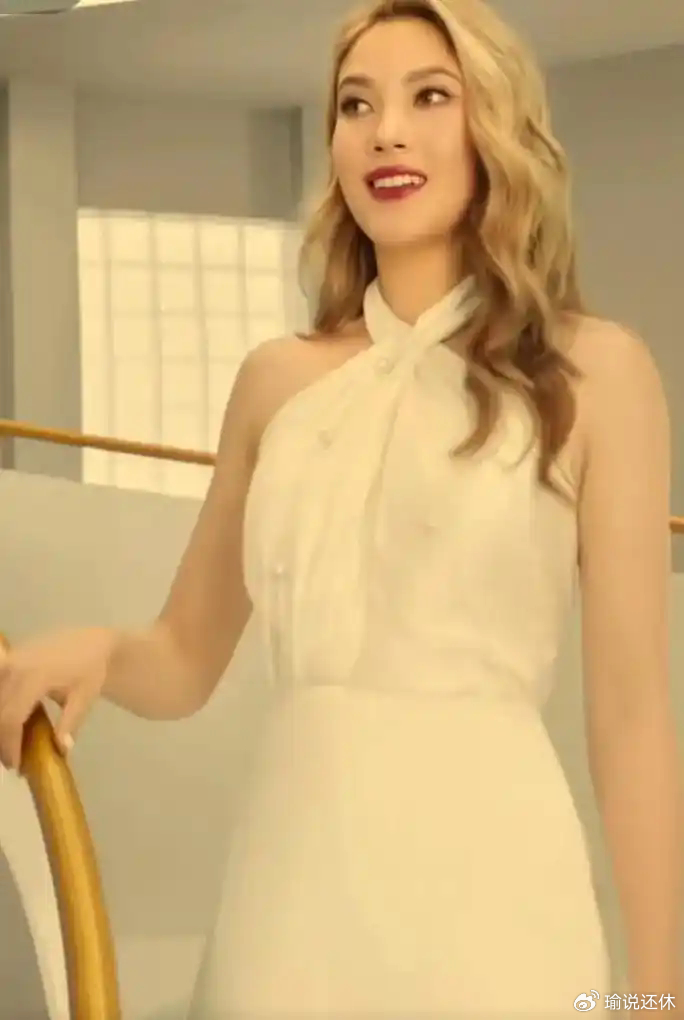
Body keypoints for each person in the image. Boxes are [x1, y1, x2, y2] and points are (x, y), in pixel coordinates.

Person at [0, 0, 680, 1014]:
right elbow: (184, 657)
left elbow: (630, 720)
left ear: (495, 127)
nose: (385, 132)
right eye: (356, 105)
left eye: (430, 97)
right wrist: (100, 649)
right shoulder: (275, 381)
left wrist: (660, 995)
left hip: (500, 899)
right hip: (290, 899)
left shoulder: (598, 374)